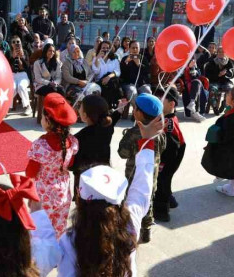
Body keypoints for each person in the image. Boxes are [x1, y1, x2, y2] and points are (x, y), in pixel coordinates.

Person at [43, 116, 163, 277]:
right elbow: (142, 190)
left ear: (79, 199)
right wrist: (147, 142)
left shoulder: (71, 241)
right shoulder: (130, 224)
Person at [26, 93, 79, 237]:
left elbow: (30, 172)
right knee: (59, 225)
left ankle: (41, 253)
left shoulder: (41, 145)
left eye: (43, 117)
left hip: (44, 192)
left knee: (41, 225)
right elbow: (70, 163)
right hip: (63, 191)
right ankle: (57, 251)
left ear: (48, 120)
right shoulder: (72, 142)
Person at [117, 93, 166, 244]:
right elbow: (163, 148)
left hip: (134, 175)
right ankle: (147, 230)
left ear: (139, 113)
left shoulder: (133, 133)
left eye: (134, 108)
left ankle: (131, 229)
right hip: (153, 172)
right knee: (148, 198)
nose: (133, 110)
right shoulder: (160, 132)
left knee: (133, 200)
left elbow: (122, 153)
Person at [71, 95, 128, 184]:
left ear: (85, 115)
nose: (78, 110)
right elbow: (112, 120)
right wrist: (119, 109)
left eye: (80, 107)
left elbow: (73, 165)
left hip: (84, 179)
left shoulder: (79, 137)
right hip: (104, 174)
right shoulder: (107, 128)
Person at [154, 89, 186, 223]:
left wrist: (162, 164)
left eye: (160, 101)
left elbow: (173, 148)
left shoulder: (168, 125)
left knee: (161, 183)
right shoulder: (166, 119)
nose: (157, 103)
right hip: (169, 157)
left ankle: (162, 213)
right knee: (164, 181)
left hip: (169, 159)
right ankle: (170, 199)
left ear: (171, 104)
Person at [90, 40, 122, 109]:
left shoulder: (114, 60)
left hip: (111, 81)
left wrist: (108, 77)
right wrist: (97, 58)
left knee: (111, 82)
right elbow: (96, 72)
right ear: (100, 49)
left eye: (107, 48)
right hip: (100, 82)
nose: (105, 50)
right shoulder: (96, 59)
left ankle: (107, 107)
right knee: (109, 86)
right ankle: (108, 107)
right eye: (103, 48)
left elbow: (118, 72)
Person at [119, 41, 151, 106]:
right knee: (132, 92)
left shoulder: (143, 58)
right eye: (133, 48)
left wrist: (139, 64)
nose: (135, 50)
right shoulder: (125, 59)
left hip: (141, 84)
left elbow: (147, 71)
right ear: (129, 48)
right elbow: (121, 73)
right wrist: (126, 63)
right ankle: (136, 110)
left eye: (137, 48)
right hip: (129, 84)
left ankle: (142, 111)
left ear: (139, 49)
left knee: (147, 91)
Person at [8, 38, 33, 116]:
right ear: (11, 44)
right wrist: (12, 57)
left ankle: (27, 106)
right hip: (12, 75)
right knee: (12, 87)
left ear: (21, 43)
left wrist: (21, 57)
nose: (16, 43)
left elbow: (27, 66)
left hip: (23, 74)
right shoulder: (9, 53)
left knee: (21, 86)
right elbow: (6, 65)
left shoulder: (24, 52)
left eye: (18, 42)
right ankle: (8, 106)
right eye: (14, 42)